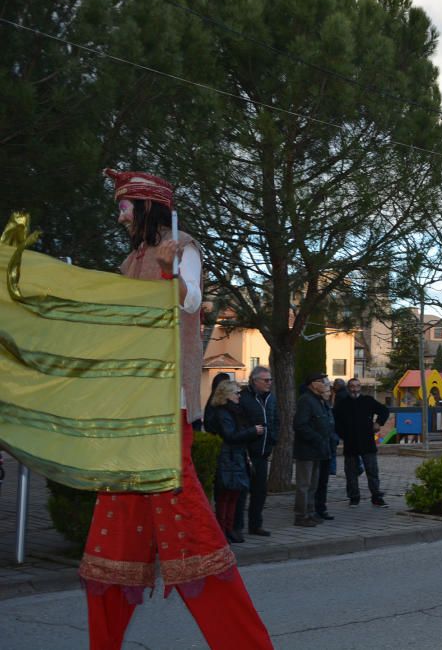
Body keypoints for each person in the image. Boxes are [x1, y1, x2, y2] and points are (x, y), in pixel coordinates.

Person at [80, 168, 271, 649]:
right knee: (113, 537)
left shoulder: (182, 246)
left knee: (189, 527)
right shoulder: (128, 263)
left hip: (168, 404)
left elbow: (192, 302)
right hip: (133, 406)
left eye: (125, 206)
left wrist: (172, 275)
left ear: (146, 206)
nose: (119, 215)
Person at [207, 380, 263, 543]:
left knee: (234, 494)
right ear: (226, 395)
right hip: (227, 457)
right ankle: (222, 530)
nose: (239, 396)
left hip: (236, 456)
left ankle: (229, 529)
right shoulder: (223, 412)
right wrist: (252, 431)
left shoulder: (235, 411)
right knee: (225, 495)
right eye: (236, 393)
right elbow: (230, 435)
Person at [236, 366, 280, 537]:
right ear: (254, 381)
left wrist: (273, 439)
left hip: (263, 453)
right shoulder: (244, 398)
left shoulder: (271, 398)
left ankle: (256, 525)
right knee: (241, 493)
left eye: (270, 380)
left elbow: (276, 419)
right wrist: (251, 434)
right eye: (266, 380)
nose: (269, 383)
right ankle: (237, 527)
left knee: (260, 491)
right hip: (246, 453)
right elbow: (240, 424)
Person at [335, 378, 390, 507]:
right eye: (352, 386)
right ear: (349, 388)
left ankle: (376, 497)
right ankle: (354, 498)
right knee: (351, 473)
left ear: (360, 387)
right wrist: (344, 435)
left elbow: (384, 410)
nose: (355, 389)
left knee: (372, 472)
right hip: (350, 443)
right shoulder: (342, 404)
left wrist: (378, 423)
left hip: (367, 442)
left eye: (357, 386)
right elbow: (336, 422)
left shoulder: (368, 401)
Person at [293, 373, 333, 527]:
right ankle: (301, 515)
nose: (325, 383)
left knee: (313, 484)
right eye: (322, 381)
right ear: (313, 384)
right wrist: (317, 438)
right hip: (307, 450)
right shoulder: (306, 400)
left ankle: (310, 513)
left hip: (318, 450)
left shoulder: (319, 400)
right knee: (304, 485)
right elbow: (300, 425)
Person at [313, 383, 338, 520]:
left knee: (323, 481)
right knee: (316, 481)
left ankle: (321, 508)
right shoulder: (315, 405)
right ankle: (314, 509)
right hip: (319, 448)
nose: (330, 393)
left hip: (328, 447)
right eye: (328, 391)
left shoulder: (326, 406)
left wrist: (334, 439)